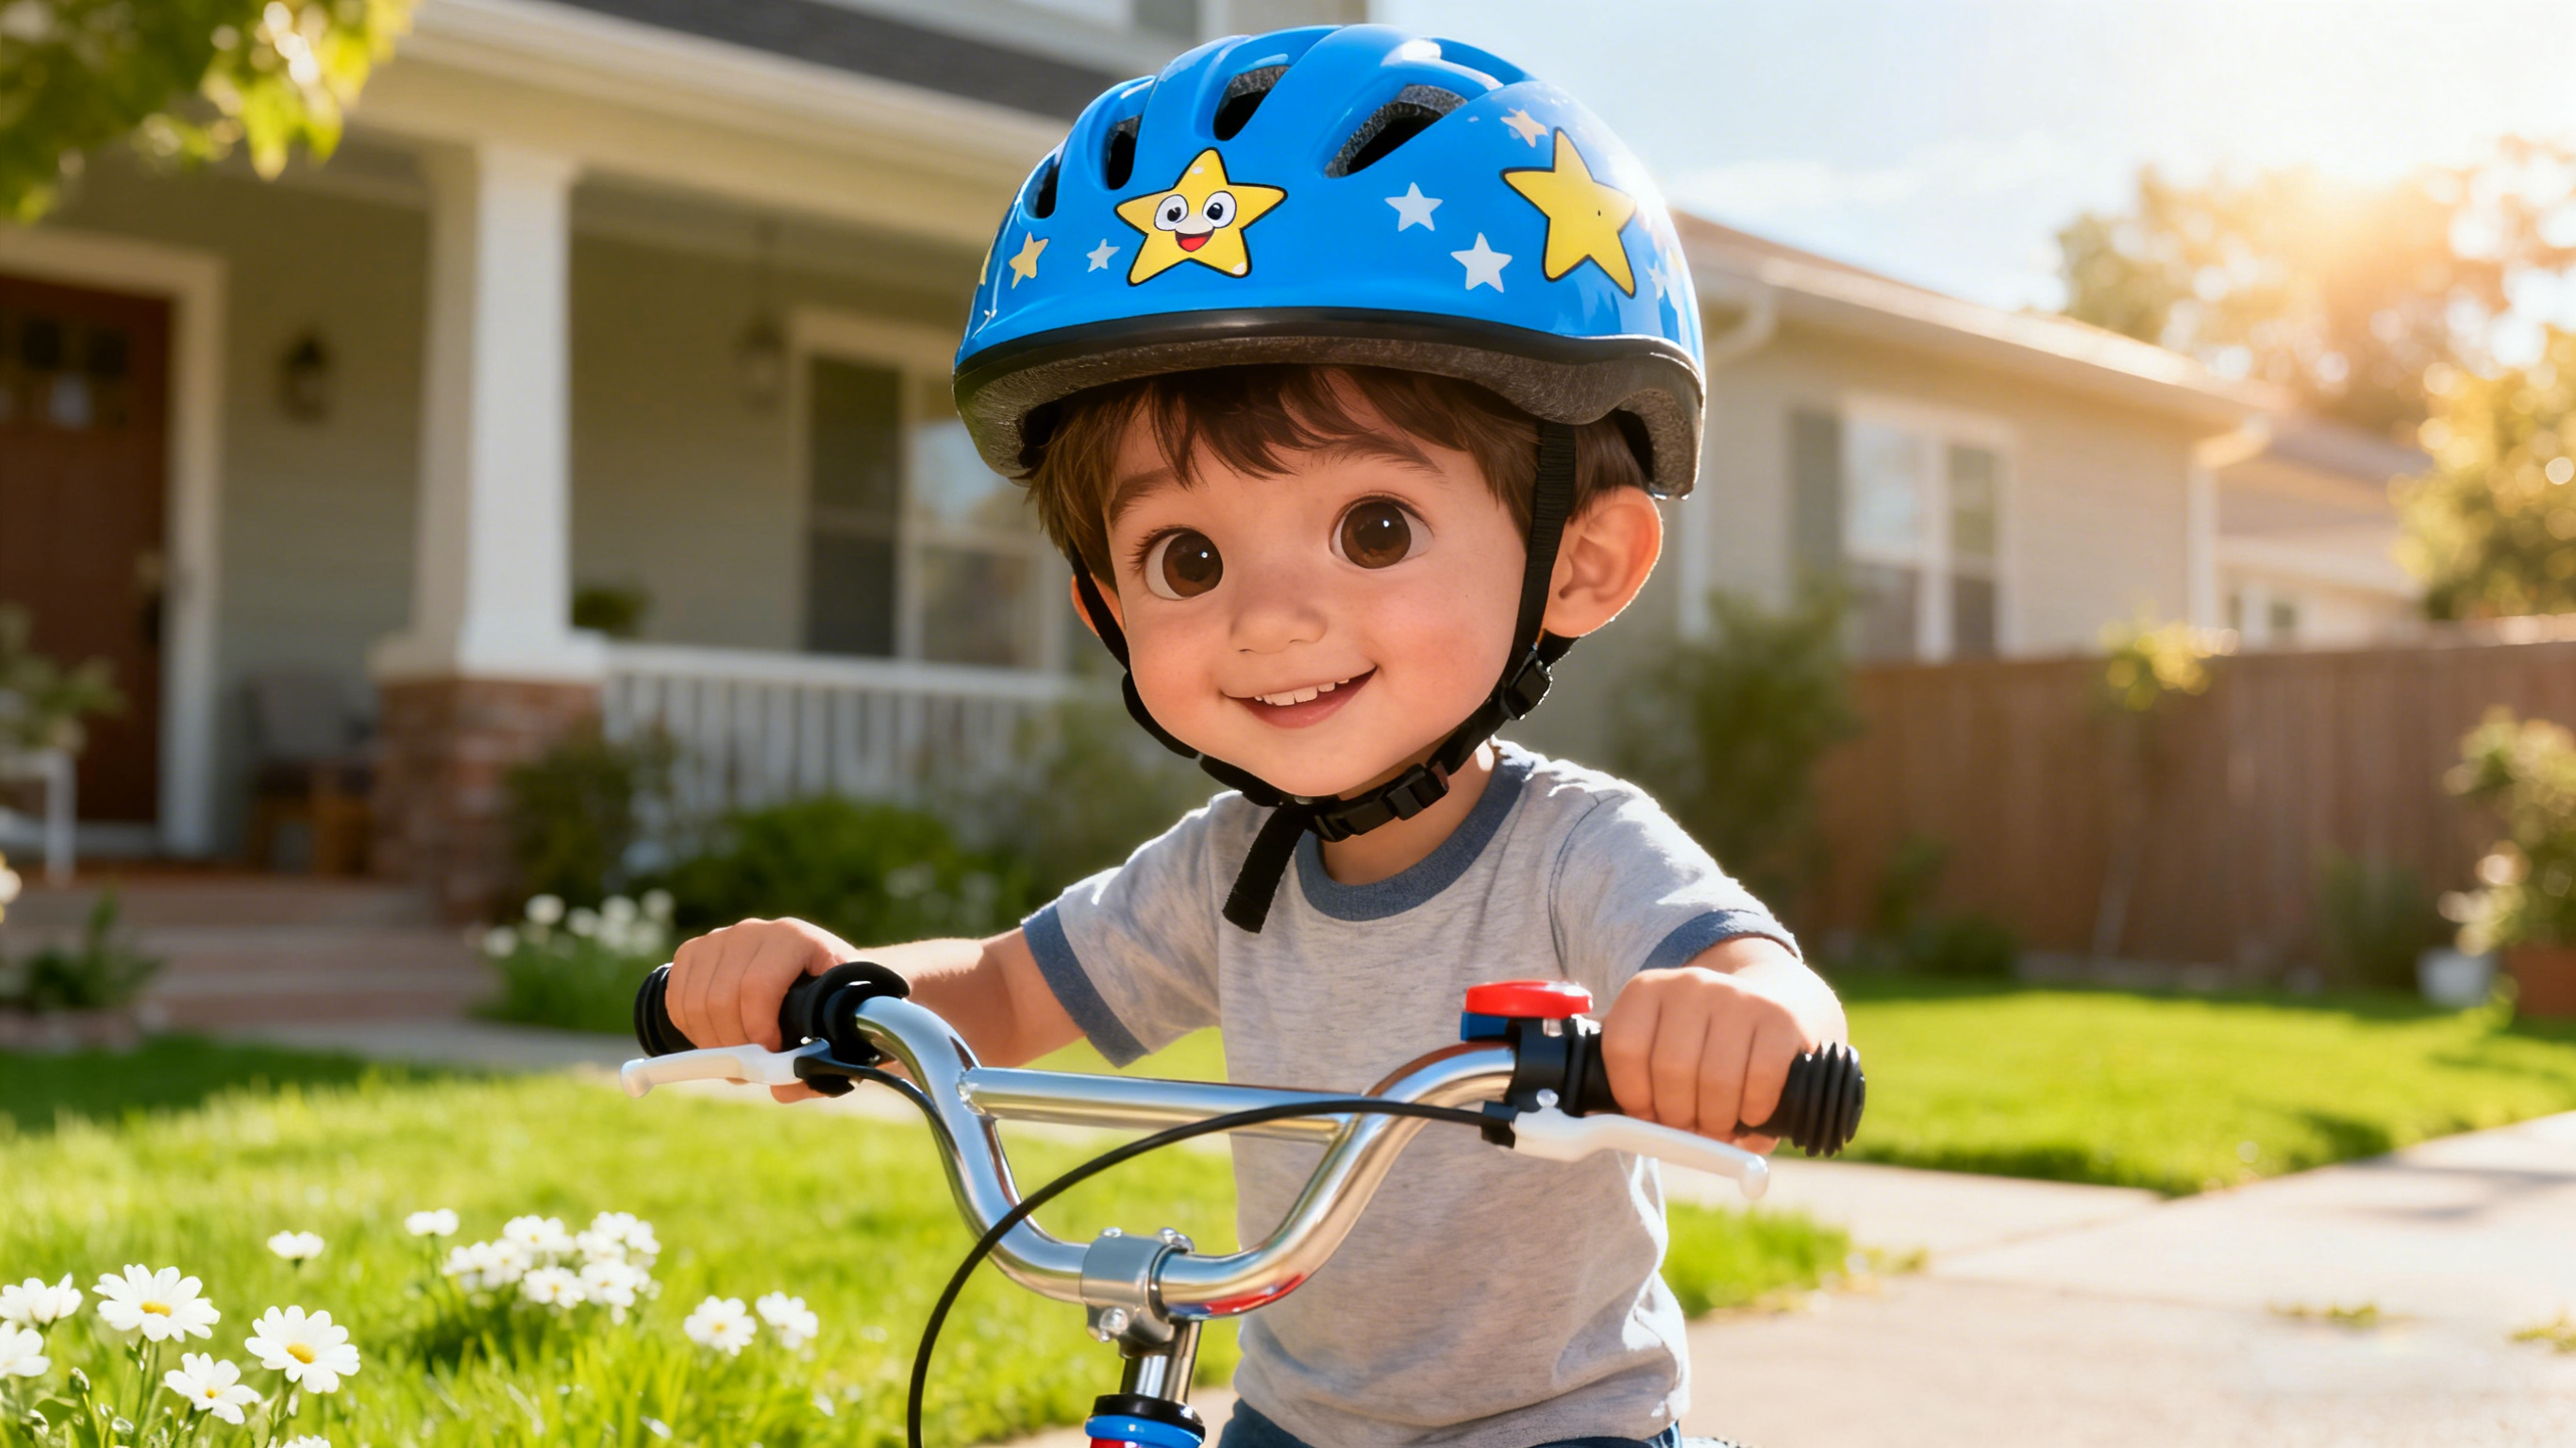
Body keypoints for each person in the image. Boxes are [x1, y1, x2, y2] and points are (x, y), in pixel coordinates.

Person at [661, 23, 1847, 1448]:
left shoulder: (1571, 851)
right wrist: (831, 989)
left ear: (1580, 563)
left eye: (1375, 528)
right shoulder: (1228, 874)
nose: (1269, 621)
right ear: (1107, 606)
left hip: (1561, 1427)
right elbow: (1002, 993)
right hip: (1293, 1419)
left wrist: (1744, 1025)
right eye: (1187, 560)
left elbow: (1743, 970)